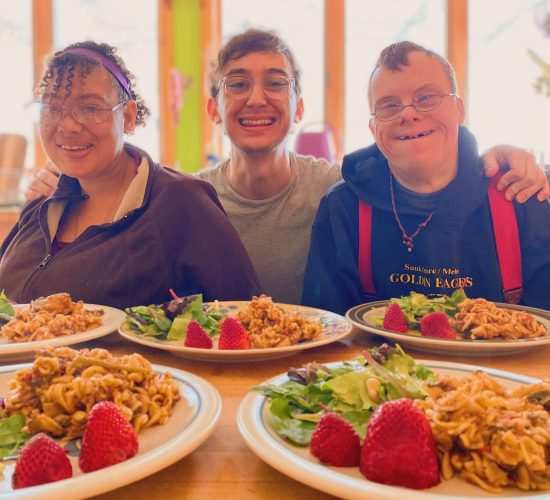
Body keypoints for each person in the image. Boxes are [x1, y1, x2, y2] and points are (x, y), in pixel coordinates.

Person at [25, 31, 550, 306]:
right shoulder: (178, 199)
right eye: (236, 84)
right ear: (213, 110)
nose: (256, 98)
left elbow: (420, 170)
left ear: (300, 109)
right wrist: (67, 182)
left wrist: (507, 157)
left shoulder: (339, 193)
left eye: (275, 83)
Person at [0, 41, 259, 309]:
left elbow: (246, 317)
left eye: (90, 108)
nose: (68, 125)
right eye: (52, 109)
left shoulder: (180, 201)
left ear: (129, 116)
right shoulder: (41, 203)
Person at [302, 41, 550, 314]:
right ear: (374, 128)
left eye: (425, 98)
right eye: (389, 105)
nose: (408, 113)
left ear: (459, 109)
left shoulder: (519, 193)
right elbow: (330, 333)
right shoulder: (343, 208)